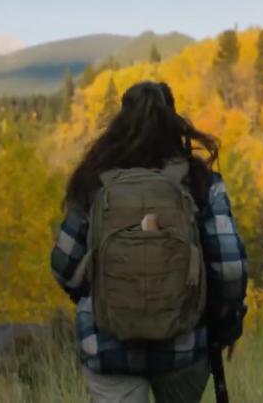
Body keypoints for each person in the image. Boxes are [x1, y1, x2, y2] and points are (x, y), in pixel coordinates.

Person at [50, 80, 248, 403]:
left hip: (108, 347)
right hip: (183, 349)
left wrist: (97, 291)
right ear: (174, 122)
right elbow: (229, 268)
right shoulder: (199, 181)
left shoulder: (94, 180)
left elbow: (63, 264)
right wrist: (225, 325)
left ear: (119, 124)